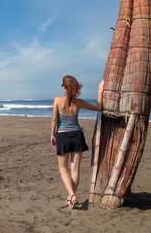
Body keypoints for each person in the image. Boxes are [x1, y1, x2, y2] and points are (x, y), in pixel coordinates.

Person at [50, 75, 103, 209]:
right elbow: (99, 107)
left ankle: (72, 195)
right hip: (77, 136)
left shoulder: (57, 100)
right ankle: (70, 197)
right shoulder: (79, 102)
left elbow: (55, 121)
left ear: (64, 87)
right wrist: (100, 89)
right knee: (75, 169)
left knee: (63, 169)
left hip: (63, 136)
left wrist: (52, 135)